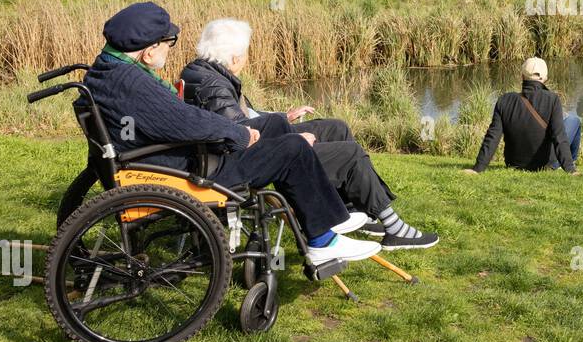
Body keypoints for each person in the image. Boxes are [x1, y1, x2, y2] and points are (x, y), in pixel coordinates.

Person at [82, 3, 379, 265]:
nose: (169, 49)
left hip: (170, 158)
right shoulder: (133, 84)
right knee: (292, 149)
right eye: (168, 43)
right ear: (148, 52)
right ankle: (322, 242)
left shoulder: (108, 70)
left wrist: (239, 128)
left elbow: (176, 118)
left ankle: (325, 214)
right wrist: (236, 134)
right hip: (187, 172)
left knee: (275, 126)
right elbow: (185, 121)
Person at [181, 19, 438, 250]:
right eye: (246, 52)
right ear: (235, 58)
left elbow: (243, 117)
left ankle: (351, 210)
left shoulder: (205, 73)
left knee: (336, 127)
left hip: (255, 141)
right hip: (252, 157)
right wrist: (291, 140)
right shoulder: (214, 85)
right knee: (350, 154)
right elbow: (240, 137)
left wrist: (284, 116)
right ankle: (393, 228)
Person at [465, 58, 579, 175]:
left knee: (569, 122)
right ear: (545, 78)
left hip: (513, 163)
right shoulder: (552, 99)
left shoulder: (504, 100)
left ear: (522, 76)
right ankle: (571, 164)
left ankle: (568, 165)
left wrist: (478, 168)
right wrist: (570, 170)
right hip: (544, 164)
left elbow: (493, 137)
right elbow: (559, 136)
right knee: (574, 120)